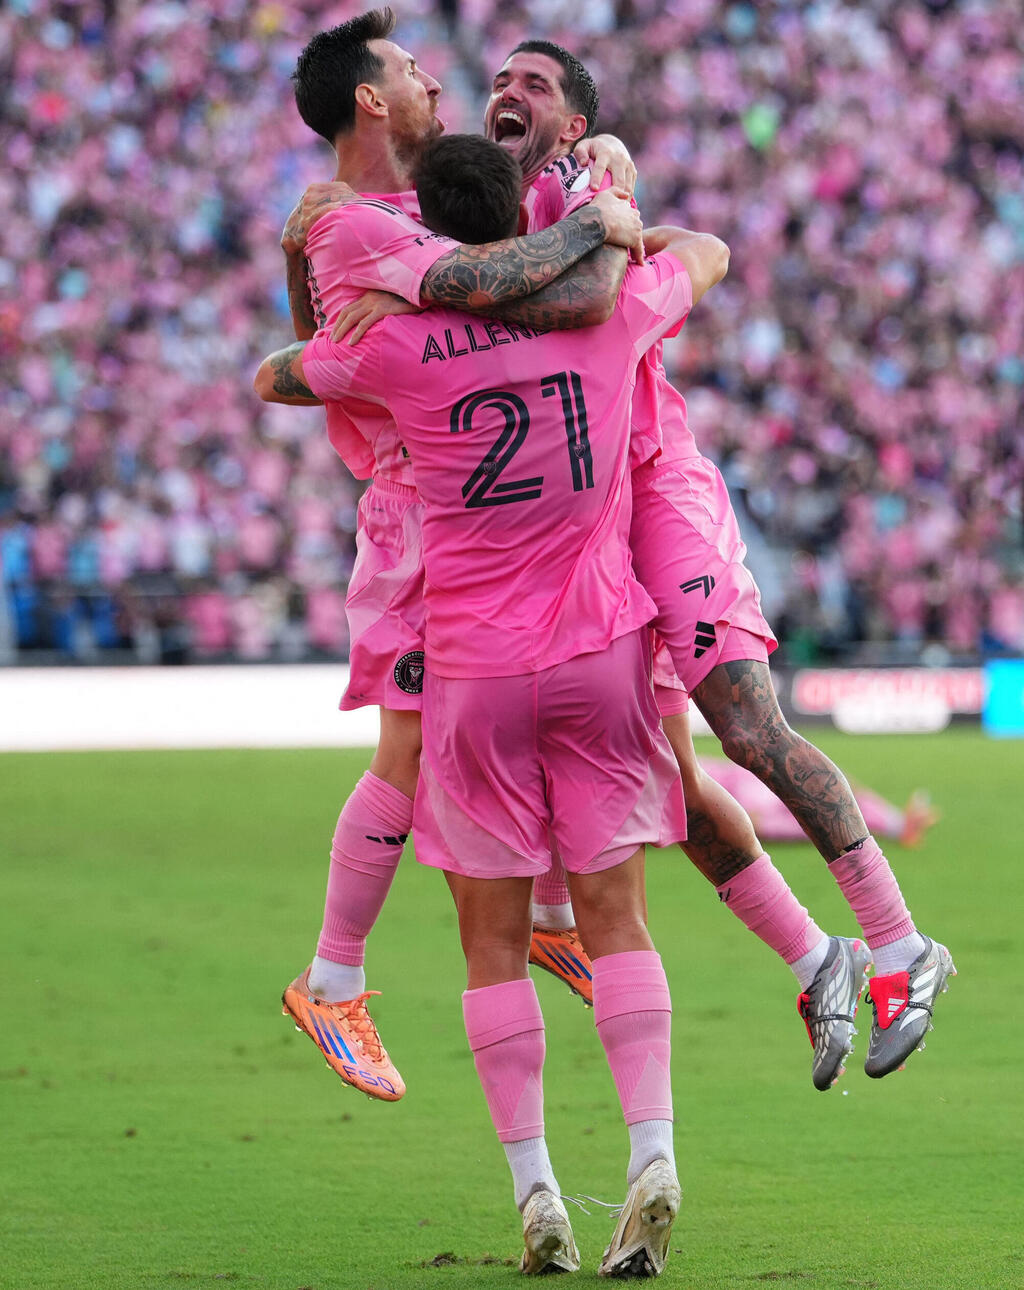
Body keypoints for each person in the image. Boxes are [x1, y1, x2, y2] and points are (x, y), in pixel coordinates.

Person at [259, 129, 722, 1281]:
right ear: (522, 216)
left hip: (472, 674)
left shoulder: (398, 343)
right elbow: (705, 252)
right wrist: (616, 217)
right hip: (604, 652)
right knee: (614, 918)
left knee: (493, 948)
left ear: (428, 233)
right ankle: (654, 1156)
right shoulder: (607, 315)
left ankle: (538, 1199)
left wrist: (333, 301)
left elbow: (273, 375)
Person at [268, 10, 647, 1106]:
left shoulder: (395, 214)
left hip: (473, 508)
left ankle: (548, 920)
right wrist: (606, 223)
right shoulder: (355, 228)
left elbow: (495, 264)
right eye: (413, 70)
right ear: (371, 101)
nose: (441, 82)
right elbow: (522, 289)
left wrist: (594, 170)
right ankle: (332, 976)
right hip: (415, 518)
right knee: (413, 749)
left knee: (511, 727)